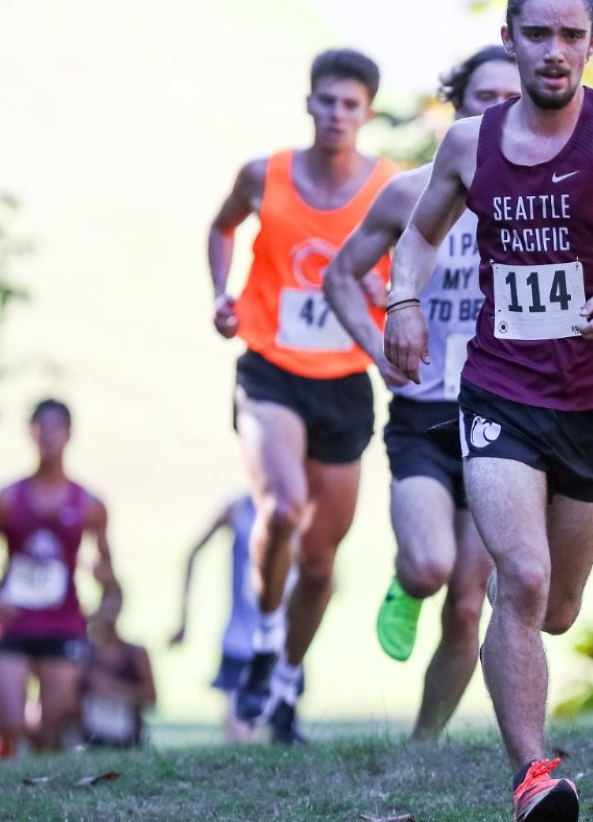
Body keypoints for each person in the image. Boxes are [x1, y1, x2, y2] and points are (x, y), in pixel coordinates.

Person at [385, 0, 593, 821]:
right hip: (500, 391)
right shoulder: (469, 144)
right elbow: (417, 238)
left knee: (556, 607)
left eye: (570, 35)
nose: (554, 51)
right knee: (521, 578)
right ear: (510, 40)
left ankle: (519, 644)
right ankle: (533, 776)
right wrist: (403, 301)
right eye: (537, 35)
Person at [325, 45, 519, 741]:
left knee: (468, 605)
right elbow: (340, 274)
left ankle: (424, 744)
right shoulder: (411, 193)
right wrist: (377, 348)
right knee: (432, 566)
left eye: (512, 99)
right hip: (425, 416)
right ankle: (407, 579)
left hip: (504, 420)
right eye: (484, 99)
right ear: (457, 108)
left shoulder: (540, 202)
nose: (499, 111)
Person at [206, 48, 397, 744]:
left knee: (319, 564)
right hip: (270, 371)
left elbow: (421, 270)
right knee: (281, 506)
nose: (337, 114)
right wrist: (220, 294)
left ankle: (286, 678)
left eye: (351, 104)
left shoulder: (391, 187)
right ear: (309, 103)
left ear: (367, 113)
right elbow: (221, 226)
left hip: (344, 381)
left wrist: (387, 291)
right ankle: (260, 637)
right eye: (327, 101)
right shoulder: (264, 175)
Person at [0, 398, 115, 757]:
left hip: (62, 625)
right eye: (42, 428)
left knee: (52, 732)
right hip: (15, 623)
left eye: (56, 428)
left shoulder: (90, 504)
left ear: (69, 434)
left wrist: (101, 607)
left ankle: (42, 789)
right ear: (31, 433)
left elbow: (110, 575)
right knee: (9, 726)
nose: (49, 436)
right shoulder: (3, 498)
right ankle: (1, 781)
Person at [169, 492, 291, 743]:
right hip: (238, 642)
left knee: (280, 738)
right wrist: (183, 619)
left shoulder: (296, 504)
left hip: (280, 643)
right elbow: (193, 553)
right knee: (238, 738)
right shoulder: (237, 508)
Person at [81, 585, 156, 749]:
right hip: (87, 738)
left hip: (126, 738)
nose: (109, 608)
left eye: (114, 601)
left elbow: (151, 696)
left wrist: (114, 688)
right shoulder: (83, 651)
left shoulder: (135, 653)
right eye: (106, 601)